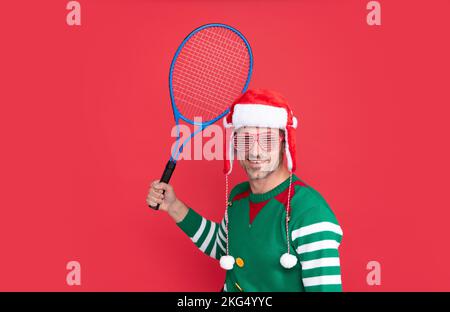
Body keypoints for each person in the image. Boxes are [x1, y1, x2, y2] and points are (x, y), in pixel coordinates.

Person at [147, 89, 343, 292]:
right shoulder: (238, 196)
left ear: (285, 144)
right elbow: (222, 245)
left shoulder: (310, 213)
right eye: (245, 140)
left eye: (268, 140)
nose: (255, 152)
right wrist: (173, 206)